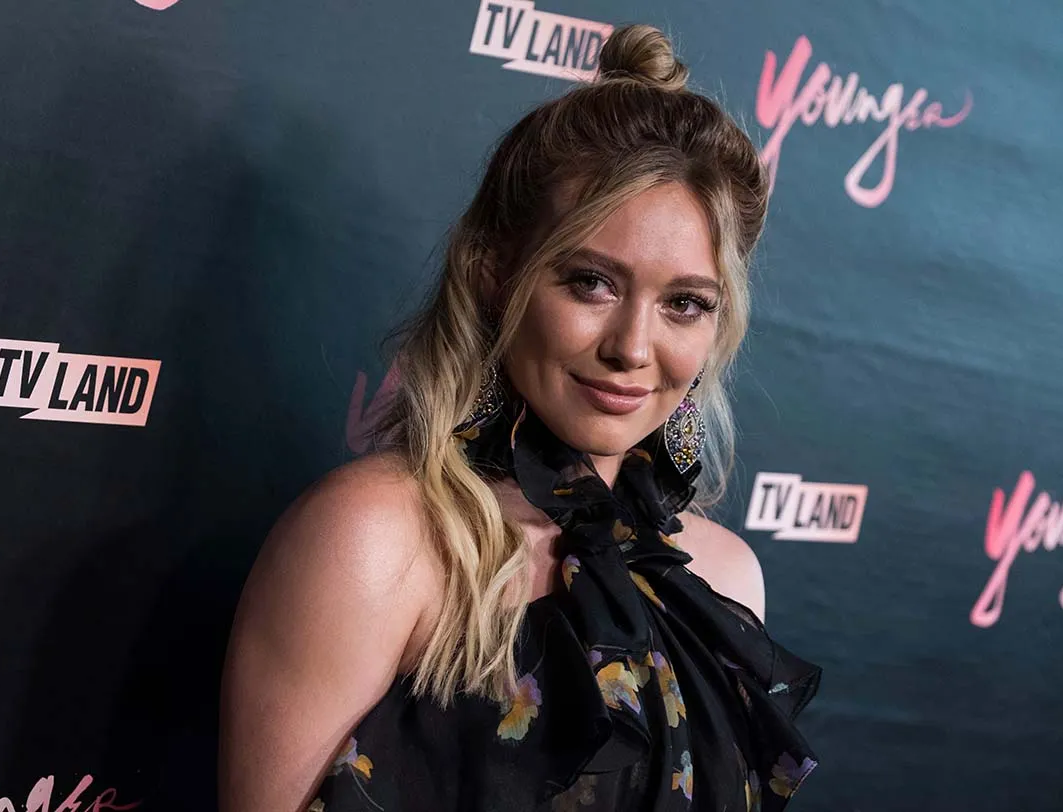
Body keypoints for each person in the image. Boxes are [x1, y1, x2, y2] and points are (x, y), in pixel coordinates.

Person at [219, 23, 821, 812]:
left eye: (684, 304)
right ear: (494, 276)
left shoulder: (723, 578)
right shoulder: (373, 545)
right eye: (591, 283)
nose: (633, 348)